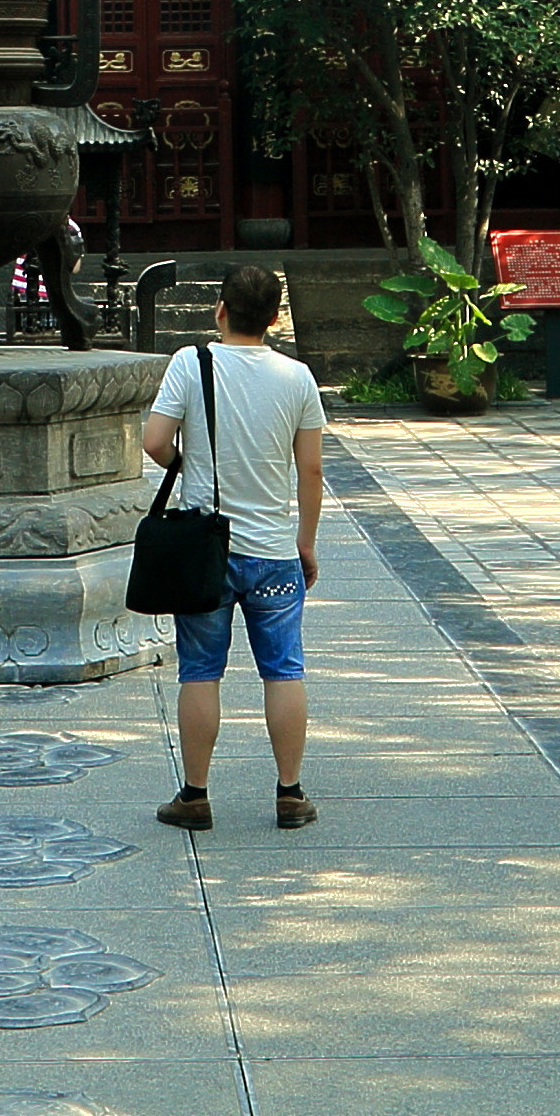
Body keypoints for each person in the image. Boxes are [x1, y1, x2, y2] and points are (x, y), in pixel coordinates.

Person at [142, 261, 328, 832]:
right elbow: (311, 469)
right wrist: (306, 544)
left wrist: (188, 463)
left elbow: (153, 442)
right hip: (273, 551)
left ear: (220, 310)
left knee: (200, 671)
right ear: (275, 318)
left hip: (206, 553)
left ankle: (194, 797)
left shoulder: (189, 364)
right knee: (283, 669)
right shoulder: (297, 378)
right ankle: (290, 794)